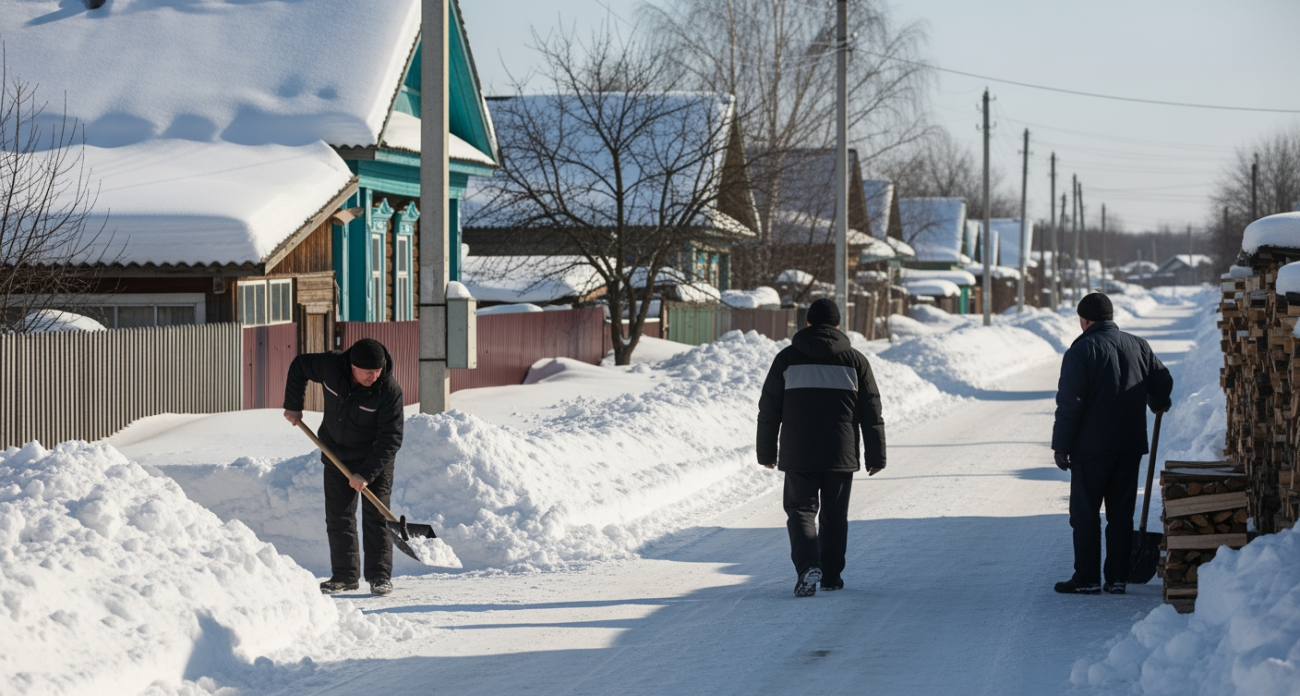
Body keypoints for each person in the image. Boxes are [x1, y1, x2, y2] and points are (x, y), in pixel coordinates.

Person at [756, 298, 886, 597]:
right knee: (834, 515)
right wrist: (875, 455)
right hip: (841, 452)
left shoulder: (787, 359)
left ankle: (807, 567)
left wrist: (766, 452)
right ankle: (830, 576)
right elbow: (871, 412)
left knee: (801, 511)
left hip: (798, 452)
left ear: (808, 323)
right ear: (838, 325)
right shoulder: (855, 361)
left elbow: (769, 408)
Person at [1052, 292, 1172, 596]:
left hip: (1091, 449)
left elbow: (1070, 404)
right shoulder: (1138, 345)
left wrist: (1061, 445)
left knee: (1085, 514)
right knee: (1120, 514)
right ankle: (1117, 578)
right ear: (1110, 317)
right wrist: (1158, 401)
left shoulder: (1080, 352)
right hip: (1130, 445)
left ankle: (1087, 578)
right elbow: (1163, 380)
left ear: (1084, 320)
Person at [283, 337, 404, 596]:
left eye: (378, 370)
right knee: (338, 517)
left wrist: (366, 473)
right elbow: (299, 366)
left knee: (376, 518)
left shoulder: (388, 391)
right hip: (336, 453)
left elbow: (390, 439)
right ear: (352, 365)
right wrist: (294, 405)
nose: (375, 376)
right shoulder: (331, 366)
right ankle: (345, 576)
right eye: (368, 372)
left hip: (374, 460)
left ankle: (379, 577)